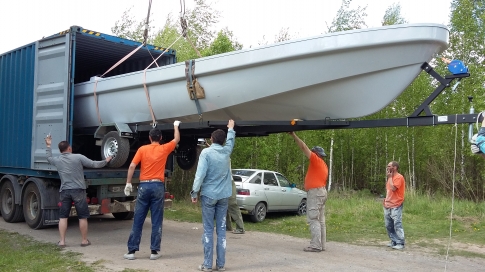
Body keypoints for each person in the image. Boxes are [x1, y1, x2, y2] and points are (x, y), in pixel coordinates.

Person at [123, 121, 181, 260]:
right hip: (158, 186)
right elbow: (177, 139)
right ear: (160, 138)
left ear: (150, 138)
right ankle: (154, 252)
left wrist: (128, 183)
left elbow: (132, 166)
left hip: (144, 186)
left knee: (138, 218)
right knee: (156, 220)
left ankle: (131, 251)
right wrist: (175, 126)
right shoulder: (164, 149)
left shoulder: (142, 149)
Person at [45, 135, 112, 248]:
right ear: (69, 148)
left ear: (60, 150)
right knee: (82, 216)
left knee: (63, 217)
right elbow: (93, 164)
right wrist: (106, 161)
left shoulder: (57, 160)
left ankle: (62, 241)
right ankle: (84, 241)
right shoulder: (78, 157)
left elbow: (48, 158)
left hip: (65, 191)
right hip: (79, 191)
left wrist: (48, 145)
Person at [191, 120, 236, 272]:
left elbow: (200, 175)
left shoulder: (206, 153)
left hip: (209, 196)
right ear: (222, 140)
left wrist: (194, 192)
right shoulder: (226, 151)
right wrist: (231, 129)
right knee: (221, 229)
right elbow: (230, 141)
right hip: (224, 196)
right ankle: (221, 265)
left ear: (211, 138)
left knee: (208, 230)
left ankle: (207, 265)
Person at [288, 131, 328, 252]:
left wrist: (293, 135)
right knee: (320, 220)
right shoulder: (324, 164)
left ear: (316, 153)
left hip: (315, 193)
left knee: (313, 218)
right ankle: (322, 245)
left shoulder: (316, 160)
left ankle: (316, 245)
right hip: (321, 192)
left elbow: (303, 147)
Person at [383, 161, 406, 250]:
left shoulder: (399, 177)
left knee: (397, 224)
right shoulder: (390, 178)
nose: (387, 168)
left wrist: (389, 178)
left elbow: (393, 188)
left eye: (389, 166)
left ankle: (400, 242)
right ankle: (393, 241)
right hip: (387, 204)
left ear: (395, 167)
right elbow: (388, 190)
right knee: (388, 224)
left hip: (396, 204)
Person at [226, 160, 245, 234]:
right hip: (221, 183)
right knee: (222, 204)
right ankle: (227, 226)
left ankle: (240, 228)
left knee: (232, 204)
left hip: (228, 183)